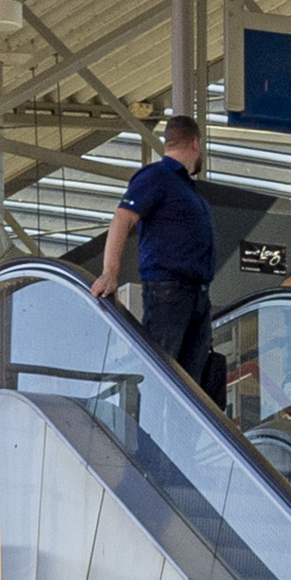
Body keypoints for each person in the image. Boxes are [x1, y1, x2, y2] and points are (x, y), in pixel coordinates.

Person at [88, 111, 227, 411]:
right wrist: (109, 273)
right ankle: (148, 445)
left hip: (196, 294)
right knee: (161, 372)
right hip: (169, 292)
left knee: (191, 384)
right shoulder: (158, 176)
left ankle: (182, 449)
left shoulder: (187, 189)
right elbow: (123, 218)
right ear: (195, 144)